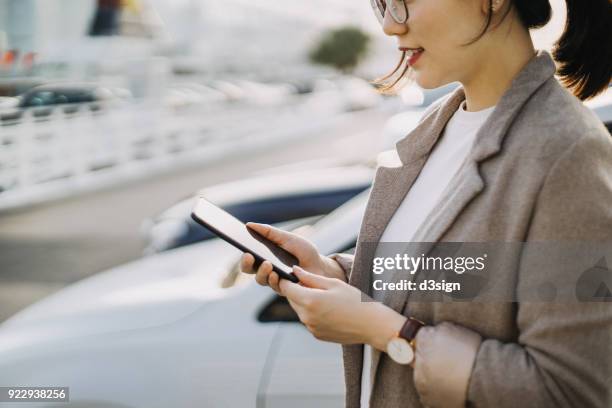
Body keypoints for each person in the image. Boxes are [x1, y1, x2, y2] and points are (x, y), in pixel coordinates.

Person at [240, 0, 612, 407]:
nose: (390, 27)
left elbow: (571, 392)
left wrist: (394, 335)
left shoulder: (567, 151)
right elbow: (462, 281)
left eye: (406, 1)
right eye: (382, 4)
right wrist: (335, 273)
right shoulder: (437, 127)